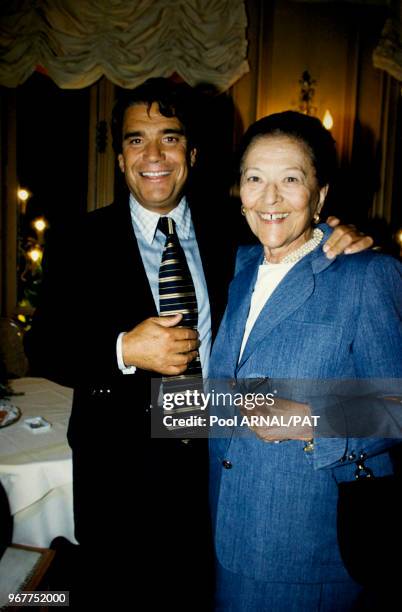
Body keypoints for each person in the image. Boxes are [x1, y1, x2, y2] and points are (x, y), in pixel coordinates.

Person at [25, 79, 371, 608]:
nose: (154, 154)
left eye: (169, 137)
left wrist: (334, 234)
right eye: (136, 140)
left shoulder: (233, 233)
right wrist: (122, 349)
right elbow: (44, 345)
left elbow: (291, 234)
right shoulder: (80, 238)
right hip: (120, 475)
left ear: (191, 152)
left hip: (214, 464)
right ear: (120, 158)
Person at [208, 110, 402, 611]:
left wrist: (313, 421)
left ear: (319, 195)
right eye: (255, 179)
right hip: (228, 525)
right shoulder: (240, 265)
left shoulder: (369, 274)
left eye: (290, 180)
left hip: (305, 545)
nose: (269, 198)